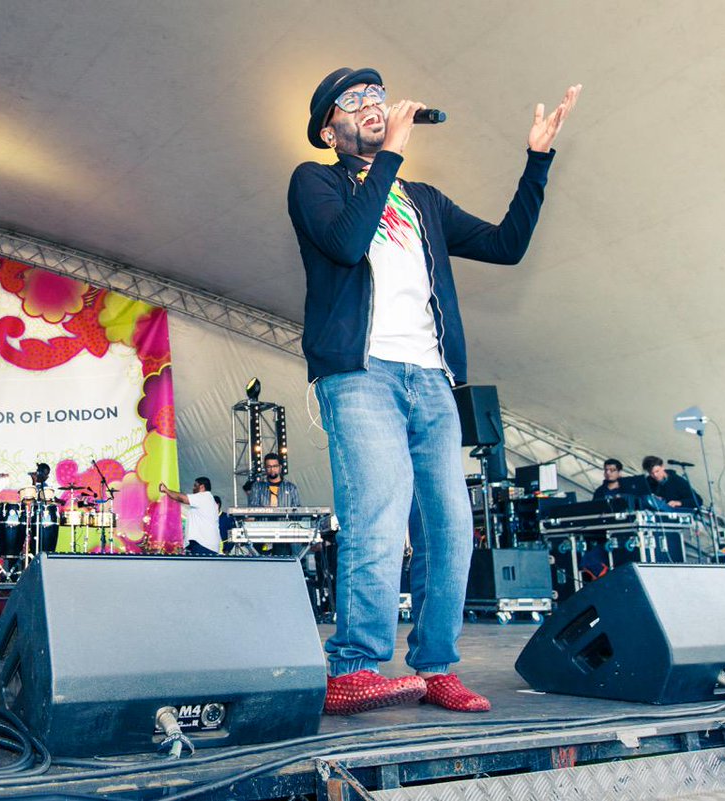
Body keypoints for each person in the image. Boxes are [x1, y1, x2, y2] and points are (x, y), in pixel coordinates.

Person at [288, 66, 579, 715]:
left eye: (377, 96)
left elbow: (507, 245)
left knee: (451, 526)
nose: (372, 105)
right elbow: (345, 243)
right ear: (328, 129)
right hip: (361, 372)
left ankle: (437, 665)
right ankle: (355, 665)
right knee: (378, 514)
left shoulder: (424, 201)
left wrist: (537, 161)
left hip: (432, 378)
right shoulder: (316, 182)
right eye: (354, 100)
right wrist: (389, 151)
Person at [160, 477, 222, 555]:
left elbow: (181, 498)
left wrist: (166, 490)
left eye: (195, 486)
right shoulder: (207, 499)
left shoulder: (203, 497)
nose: (193, 488)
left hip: (204, 545)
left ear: (202, 487)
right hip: (204, 544)